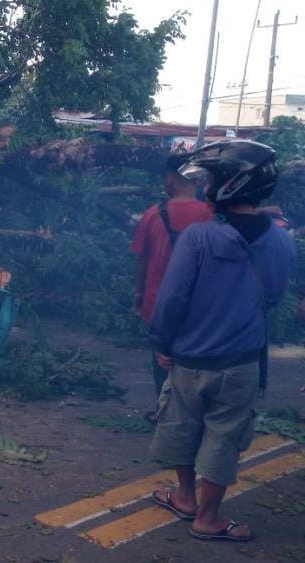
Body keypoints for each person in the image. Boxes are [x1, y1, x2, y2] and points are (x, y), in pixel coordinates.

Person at [148, 140, 295, 542]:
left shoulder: (198, 238)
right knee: (224, 435)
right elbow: (276, 295)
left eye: (212, 179)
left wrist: (162, 341)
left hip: (189, 358)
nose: (207, 185)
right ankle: (208, 517)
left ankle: (185, 497)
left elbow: (172, 297)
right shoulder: (282, 240)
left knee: (181, 424)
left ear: (230, 185)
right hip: (242, 360)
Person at [130, 153, 213, 420]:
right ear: (197, 180)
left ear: (169, 180)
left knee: (161, 359)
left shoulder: (153, 215)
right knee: (195, 360)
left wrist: (139, 292)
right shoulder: (211, 215)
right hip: (200, 305)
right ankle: (194, 413)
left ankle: (164, 414)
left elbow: (141, 259)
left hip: (158, 303)